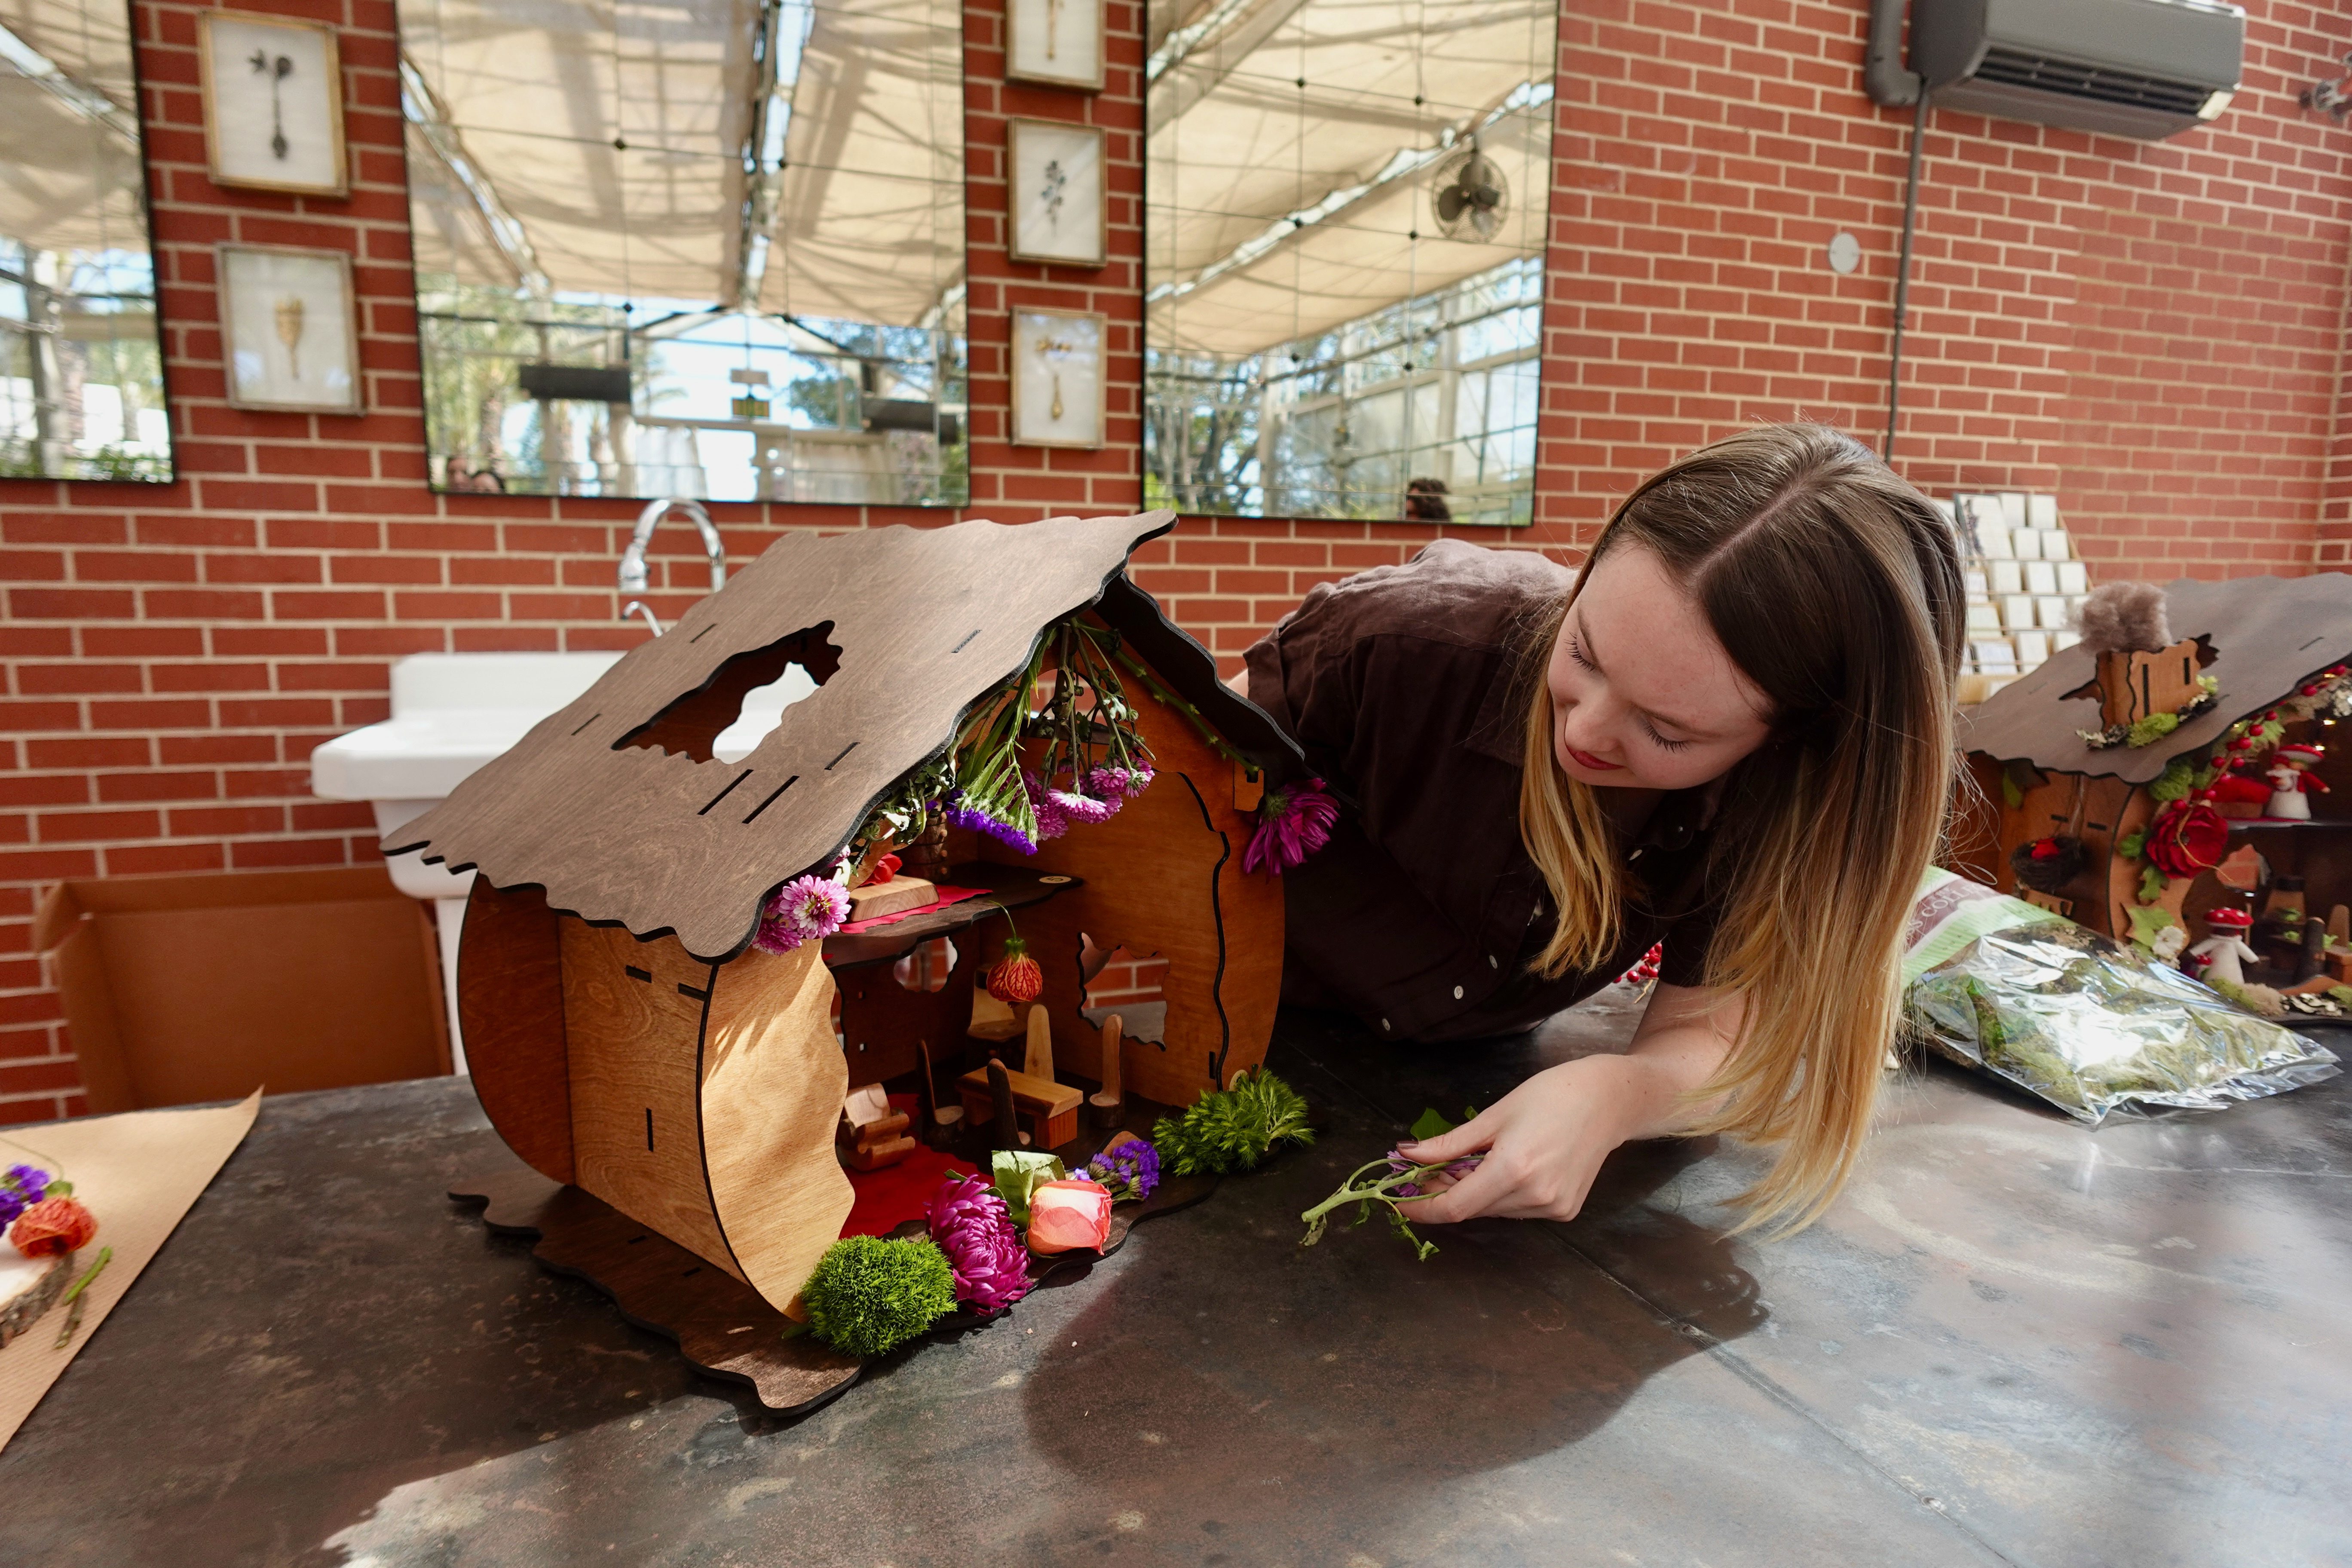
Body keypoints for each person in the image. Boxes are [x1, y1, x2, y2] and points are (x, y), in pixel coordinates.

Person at [1241, 423, 1964, 1232]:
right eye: (1583, 654)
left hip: (1486, 1073)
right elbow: (1174, 788)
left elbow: (1712, 1032)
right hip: (1244, 1044)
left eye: (1667, 731)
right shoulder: (1403, 640)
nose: (1584, 733)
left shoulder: (1781, 800)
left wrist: (1618, 1096)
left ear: (1792, 739)